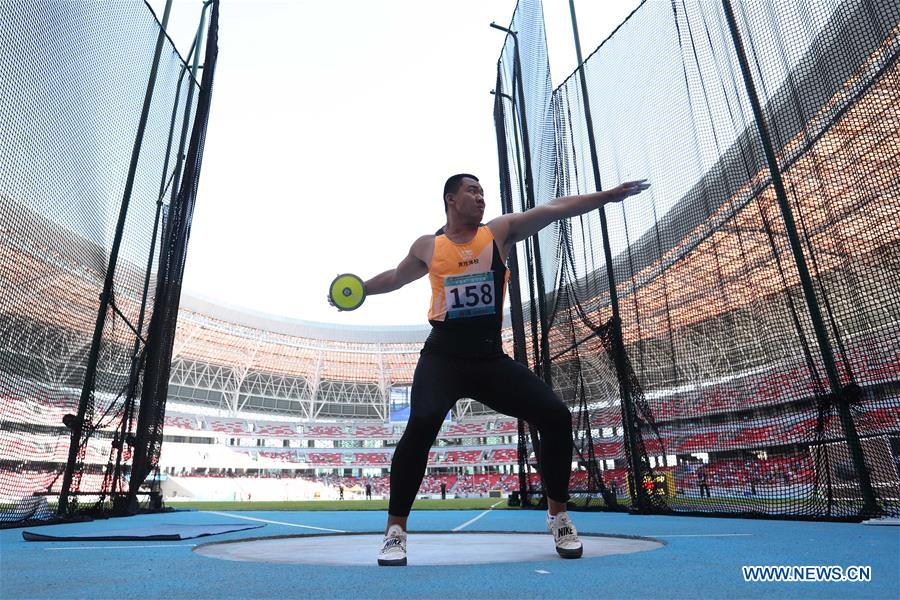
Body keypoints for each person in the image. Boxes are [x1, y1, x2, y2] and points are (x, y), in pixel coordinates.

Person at [358, 173, 650, 566]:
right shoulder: (428, 246)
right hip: (442, 357)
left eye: (482, 192)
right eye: (472, 191)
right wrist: (360, 289)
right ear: (450, 199)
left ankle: (558, 515)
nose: (481, 198)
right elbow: (395, 277)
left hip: (489, 359)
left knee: (556, 416)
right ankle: (395, 530)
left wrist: (606, 197)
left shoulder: (499, 232)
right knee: (422, 422)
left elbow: (554, 210)